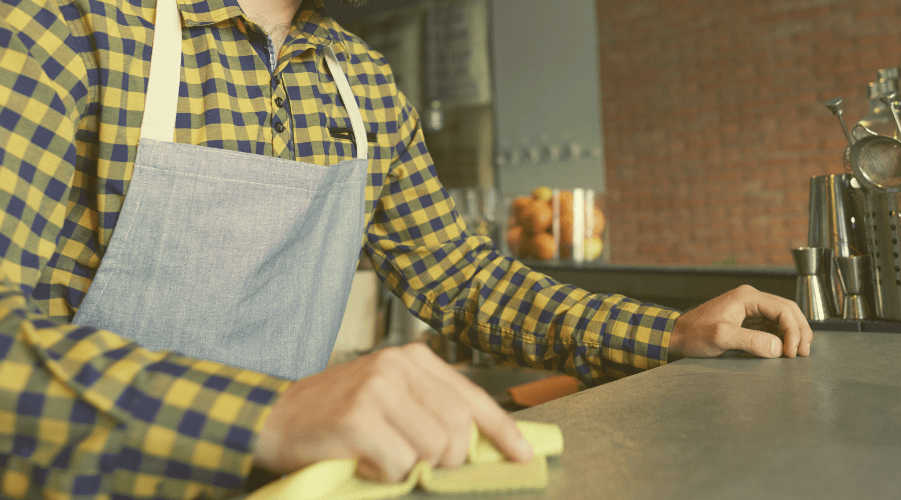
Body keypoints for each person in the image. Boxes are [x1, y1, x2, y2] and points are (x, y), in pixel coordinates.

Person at [0, 0, 812, 496]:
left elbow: (462, 279)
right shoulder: (64, 27)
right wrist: (271, 413)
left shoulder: (361, 80)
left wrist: (667, 334)